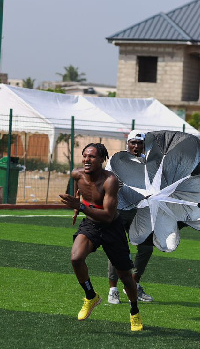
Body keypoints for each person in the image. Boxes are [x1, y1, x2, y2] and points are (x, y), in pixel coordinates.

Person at [59, 142, 143, 332]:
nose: (87, 160)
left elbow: (107, 215)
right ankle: (91, 296)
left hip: (112, 227)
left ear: (102, 160)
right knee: (76, 258)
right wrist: (76, 204)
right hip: (90, 224)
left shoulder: (110, 181)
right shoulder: (76, 174)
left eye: (92, 157)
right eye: (85, 156)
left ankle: (134, 311)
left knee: (125, 277)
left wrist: (80, 207)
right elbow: (78, 191)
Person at [105, 130, 154, 304]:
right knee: (117, 250)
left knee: (146, 248)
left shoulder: (148, 163)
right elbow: (105, 180)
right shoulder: (116, 160)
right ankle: (113, 289)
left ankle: (133, 285)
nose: (136, 146)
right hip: (119, 210)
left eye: (139, 143)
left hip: (141, 210)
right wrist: (112, 185)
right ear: (128, 143)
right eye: (133, 142)